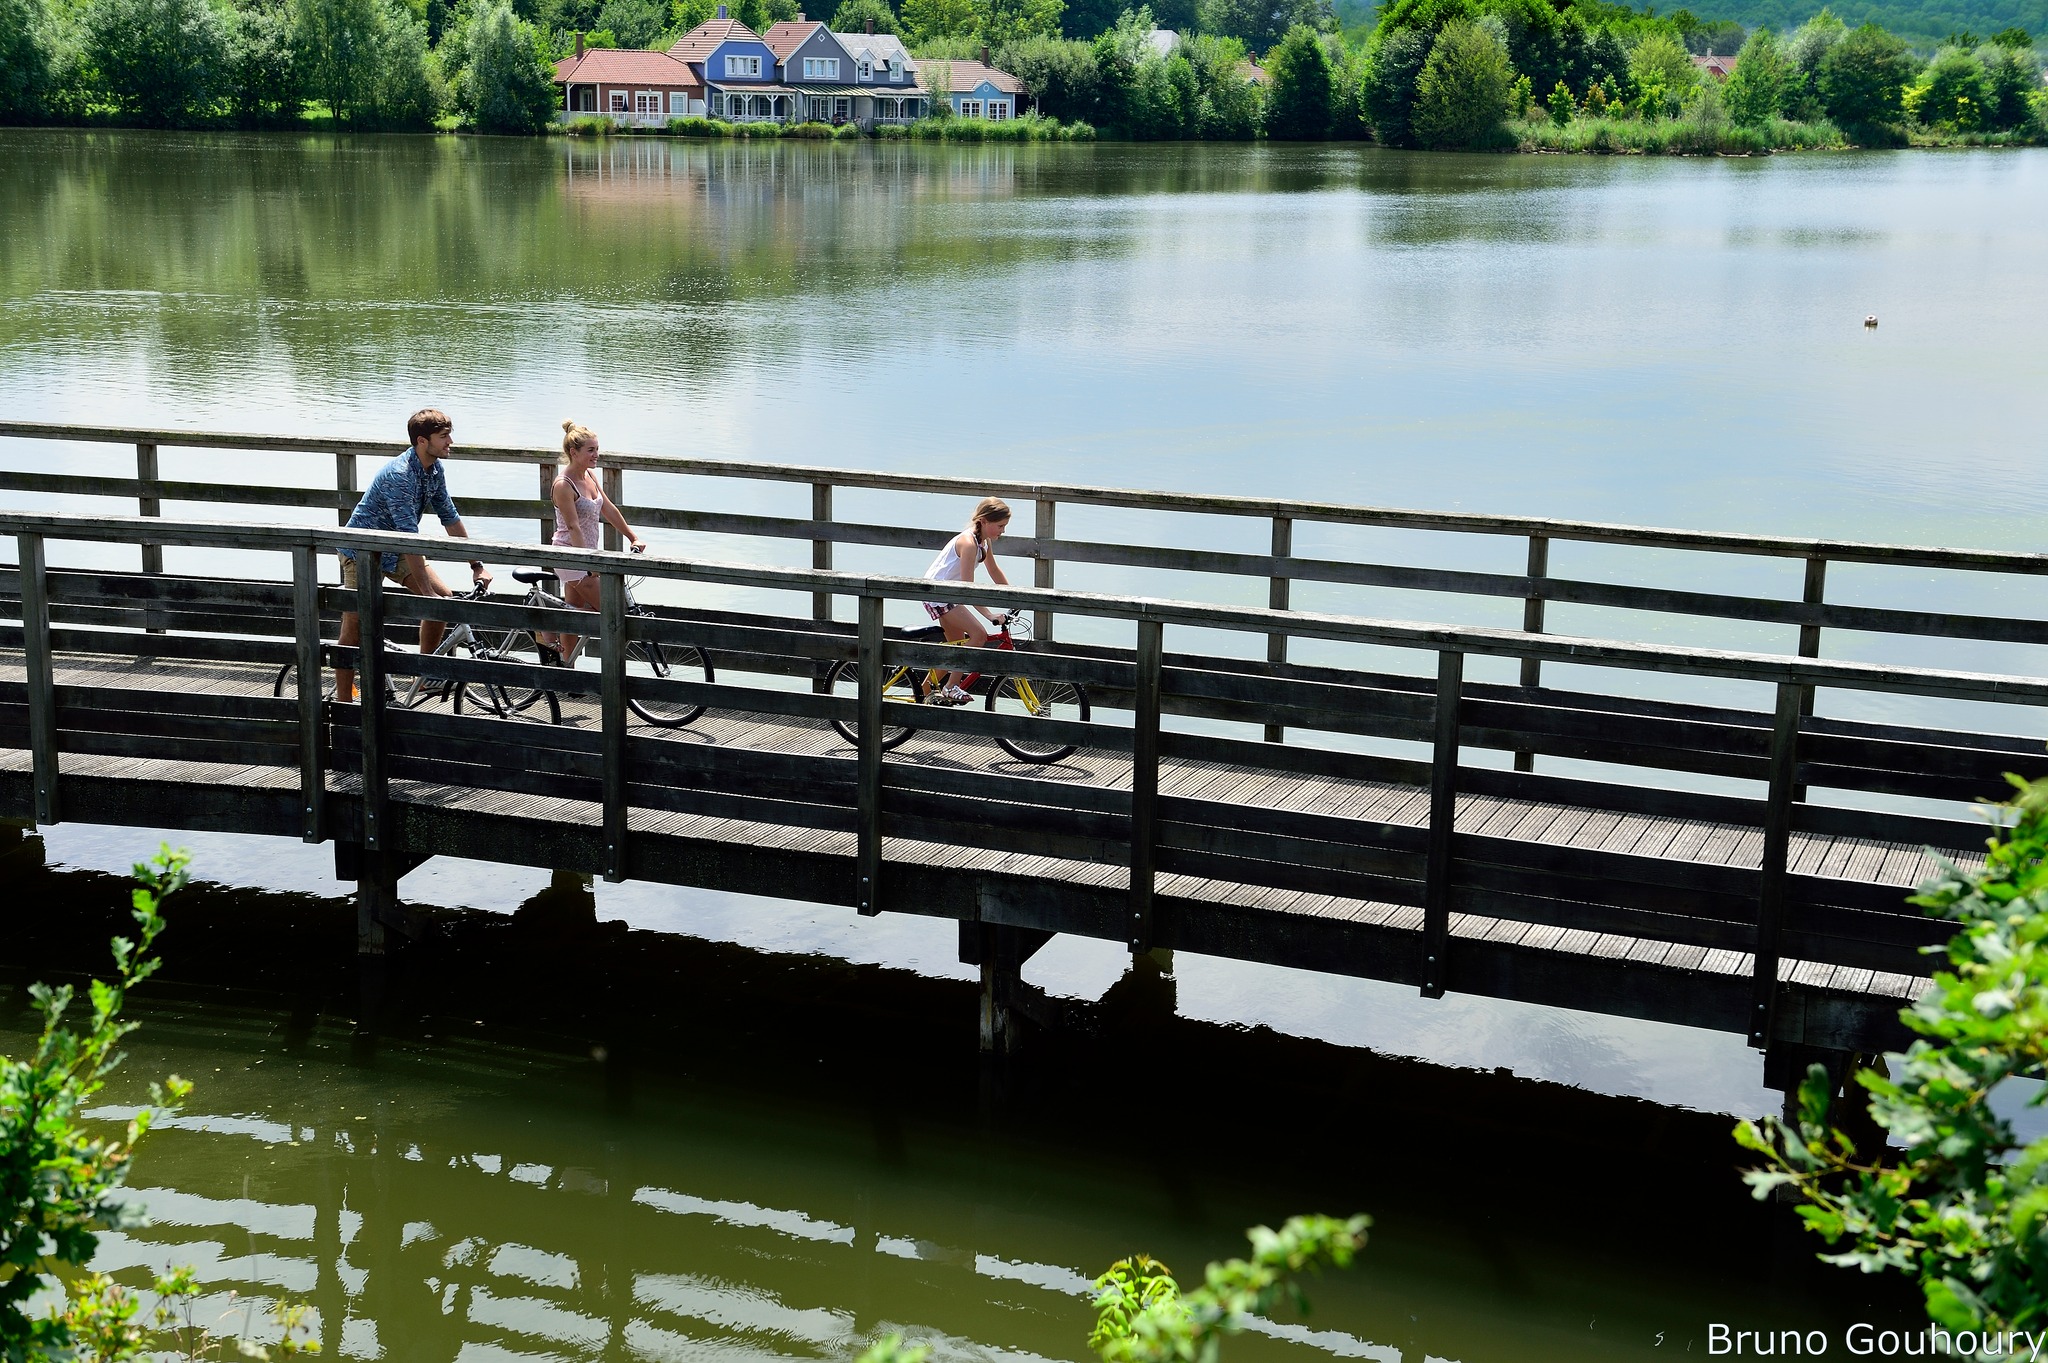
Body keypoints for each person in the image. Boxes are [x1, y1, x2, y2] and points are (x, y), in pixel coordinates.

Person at [334, 409, 491, 705]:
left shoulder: (434, 470)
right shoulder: (400, 476)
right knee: (353, 634)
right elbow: (410, 537)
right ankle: (344, 706)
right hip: (362, 551)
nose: (450, 442)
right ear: (422, 441)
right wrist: (425, 591)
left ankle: (422, 674)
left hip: (396, 547)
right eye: (444, 437)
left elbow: (450, 518)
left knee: (442, 603)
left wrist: (477, 565)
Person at [538, 420, 645, 665]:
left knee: (573, 612)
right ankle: (547, 635)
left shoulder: (590, 476)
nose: (596, 454)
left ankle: (566, 669)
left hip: (587, 555)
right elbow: (574, 526)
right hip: (570, 555)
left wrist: (633, 537)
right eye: (591, 450)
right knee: (612, 613)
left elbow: (608, 509)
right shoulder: (563, 485)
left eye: (597, 449)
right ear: (573, 453)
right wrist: (587, 562)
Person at [921, 496, 1011, 705]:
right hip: (939, 593)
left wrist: (1015, 596)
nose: (1003, 531)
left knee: (956, 650)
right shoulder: (968, 543)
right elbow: (968, 588)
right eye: (1000, 526)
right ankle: (951, 687)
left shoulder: (983, 541)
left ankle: (919, 694)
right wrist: (988, 615)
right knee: (978, 635)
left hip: (950, 593)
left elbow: (994, 571)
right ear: (984, 521)